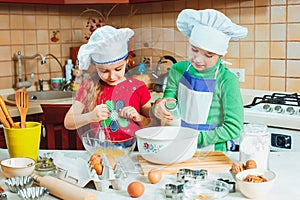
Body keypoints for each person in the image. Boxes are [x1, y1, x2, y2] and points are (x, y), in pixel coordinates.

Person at [153, 9, 248, 151]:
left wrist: (196, 139)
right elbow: (168, 101)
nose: (197, 59)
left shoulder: (227, 80)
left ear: (220, 55)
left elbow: (234, 127)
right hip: (178, 146)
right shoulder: (178, 70)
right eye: (194, 50)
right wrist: (160, 106)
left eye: (208, 55)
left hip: (212, 152)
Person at [64, 25, 152, 143]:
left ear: (127, 61)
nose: (112, 76)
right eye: (104, 71)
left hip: (133, 149)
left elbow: (153, 124)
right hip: (100, 150)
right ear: (96, 67)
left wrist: (139, 118)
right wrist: (90, 116)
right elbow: (68, 122)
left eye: (118, 69)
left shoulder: (138, 88)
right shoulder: (89, 86)